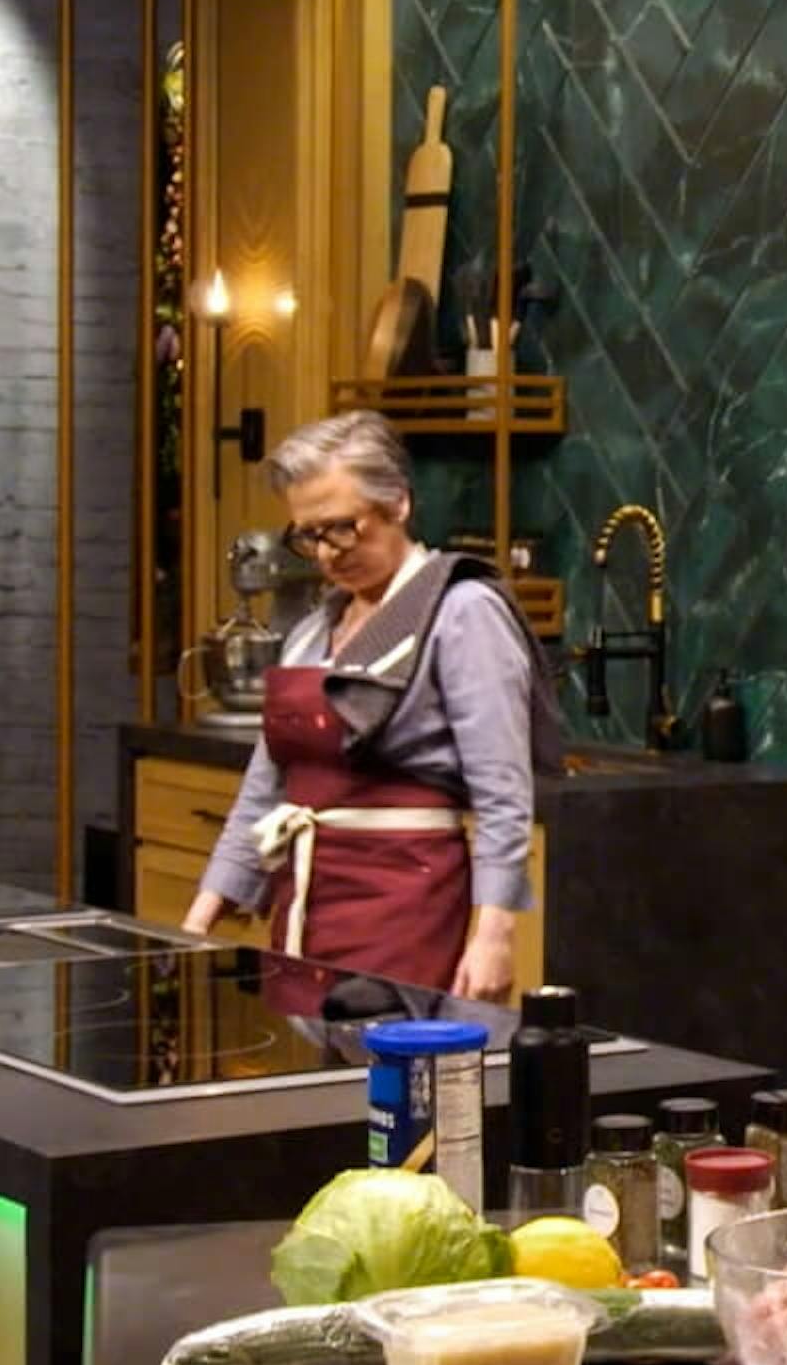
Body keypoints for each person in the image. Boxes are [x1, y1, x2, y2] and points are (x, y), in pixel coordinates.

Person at [185, 412, 558, 1021]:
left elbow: (501, 790)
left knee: (399, 1086)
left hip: (407, 901)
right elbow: (267, 784)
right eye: (308, 536)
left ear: (400, 504)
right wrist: (205, 910)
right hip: (308, 899)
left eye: (343, 528)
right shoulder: (313, 629)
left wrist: (494, 934)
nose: (328, 554)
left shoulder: (462, 610)